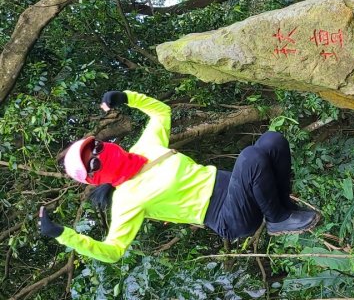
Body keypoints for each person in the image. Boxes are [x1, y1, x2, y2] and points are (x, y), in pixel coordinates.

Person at [38, 90, 319, 263]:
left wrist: (125, 98)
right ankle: (278, 220)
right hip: (228, 216)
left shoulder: (146, 146)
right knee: (251, 157)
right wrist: (64, 235)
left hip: (237, 189)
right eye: (94, 162)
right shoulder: (125, 200)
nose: (100, 152)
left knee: (272, 141)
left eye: (96, 146)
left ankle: (282, 210)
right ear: (94, 179)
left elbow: (161, 112)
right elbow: (112, 252)